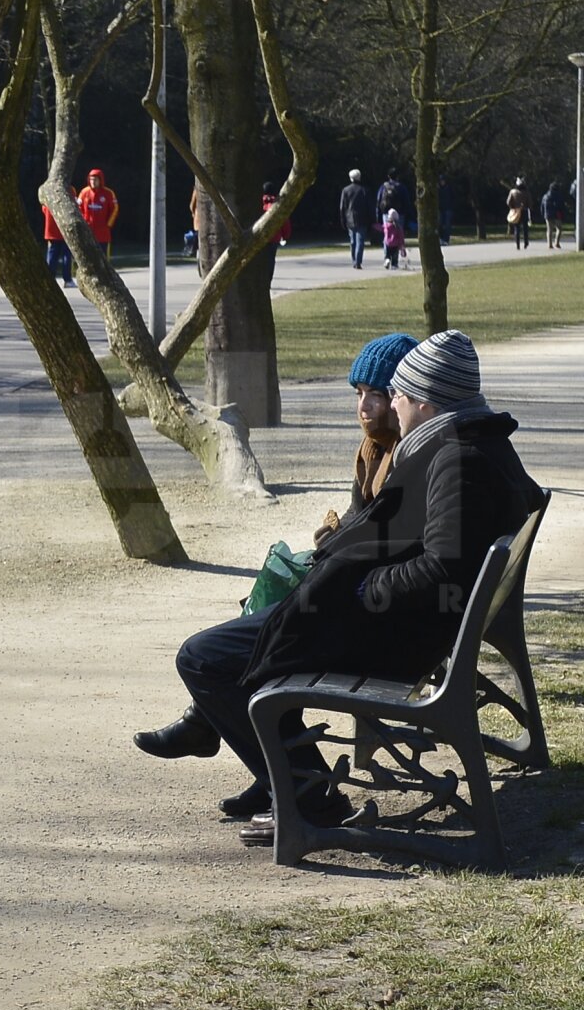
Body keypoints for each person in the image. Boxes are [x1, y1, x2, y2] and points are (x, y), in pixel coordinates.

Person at [145, 330, 541, 848]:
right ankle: (283, 782)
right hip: (406, 629)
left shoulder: (457, 459)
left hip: (391, 639)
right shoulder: (471, 443)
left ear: (423, 399)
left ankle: (309, 800)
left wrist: (357, 593)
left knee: (204, 657)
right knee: (243, 635)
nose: (392, 405)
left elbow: (441, 570)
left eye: (397, 393)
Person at [135, 333, 418, 820]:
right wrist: (333, 538)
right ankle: (271, 775)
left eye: (376, 394)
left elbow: (375, 545)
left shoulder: (407, 461)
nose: (364, 407)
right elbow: (359, 528)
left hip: (365, 621)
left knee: (216, 656)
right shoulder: (373, 452)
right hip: (354, 606)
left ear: (401, 397)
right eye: (357, 394)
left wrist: (333, 545)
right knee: (262, 610)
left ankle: (290, 783)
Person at [78, 168, 119, 256]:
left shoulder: (108, 193)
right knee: (88, 256)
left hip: (103, 233)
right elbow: (78, 207)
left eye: (95, 179)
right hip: (87, 231)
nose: (93, 182)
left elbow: (114, 209)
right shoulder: (84, 192)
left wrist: (108, 224)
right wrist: (83, 223)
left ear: (100, 180)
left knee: (103, 257)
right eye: (91, 179)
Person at [338, 168, 373, 269]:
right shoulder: (364, 190)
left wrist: (342, 219)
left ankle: (354, 260)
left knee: (352, 241)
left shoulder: (345, 190)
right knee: (360, 241)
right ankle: (358, 261)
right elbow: (369, 206)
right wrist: (372, 219)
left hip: (349, 218)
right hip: (362, 218)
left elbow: (342, 207)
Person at [43, 189, 76, 287]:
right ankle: (68, 280)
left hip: (51, 230)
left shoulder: (47, 190)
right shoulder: (70, 190)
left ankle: (50, 280)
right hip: (65, 229)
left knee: (52, 257)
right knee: (66, 256)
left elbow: (44, 209)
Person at [506, 177, 532, 251]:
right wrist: (527, 206)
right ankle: (526, 242)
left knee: (517, 228)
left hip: (516, 211)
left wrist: (512, 207)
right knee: (525, 228)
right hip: (524, 211)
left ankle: (517, 244)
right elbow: (530, 203)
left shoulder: (512, 191)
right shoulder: (527, 192)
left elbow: (508, 202)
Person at [541, 181, 566, 250]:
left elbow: (542, 206)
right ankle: (557, 243)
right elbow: (562, 206)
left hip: (548, 215)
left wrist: (543, 214)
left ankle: (550, 244)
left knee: (549, 230)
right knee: (559, 229)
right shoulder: (559, 196)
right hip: (557, 215)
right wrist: (563, 215)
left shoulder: (545, 196)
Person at [437, 172, 454, 249]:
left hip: (448, 208)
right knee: (440, 224)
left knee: (447, 225)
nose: (442, 182)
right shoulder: (438, 189)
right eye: (441, 181)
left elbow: (453, 197)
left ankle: (446, 240)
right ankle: (441, 239)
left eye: (443, 180)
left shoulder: (449, 188)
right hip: (440, 208)